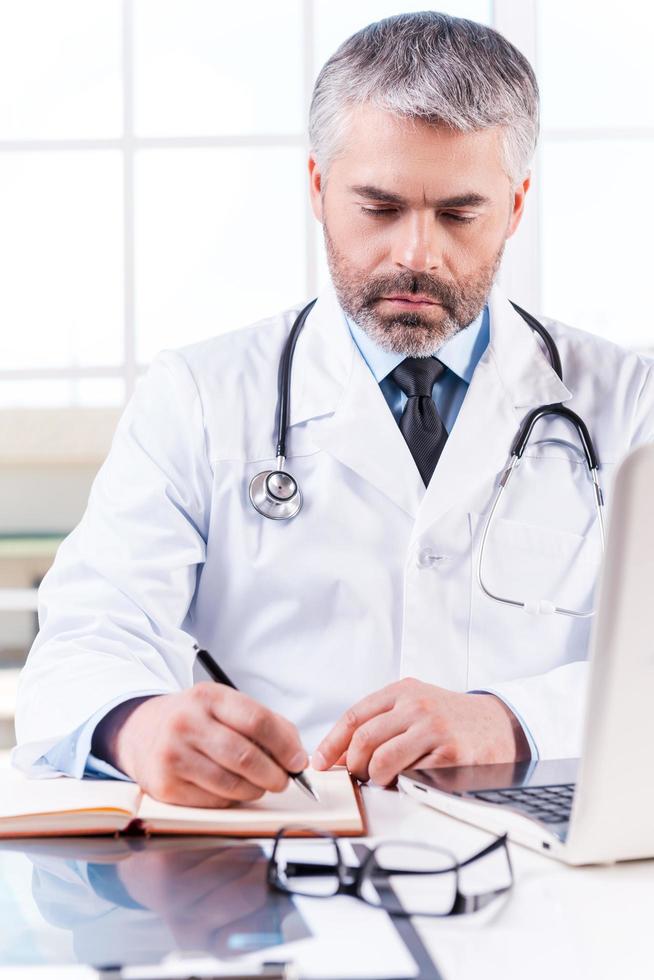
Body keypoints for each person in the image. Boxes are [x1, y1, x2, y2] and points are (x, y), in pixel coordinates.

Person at [14, 12, 654, 808]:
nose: (416, 253)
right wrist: (135, 726)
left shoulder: (630, 403)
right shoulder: (201, 396)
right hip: (280, 843)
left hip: (555, 863)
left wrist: (514, 721)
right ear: (319, 188)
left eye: (459, 214)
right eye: (379, 208)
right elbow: (87, 635)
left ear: (517, 206)